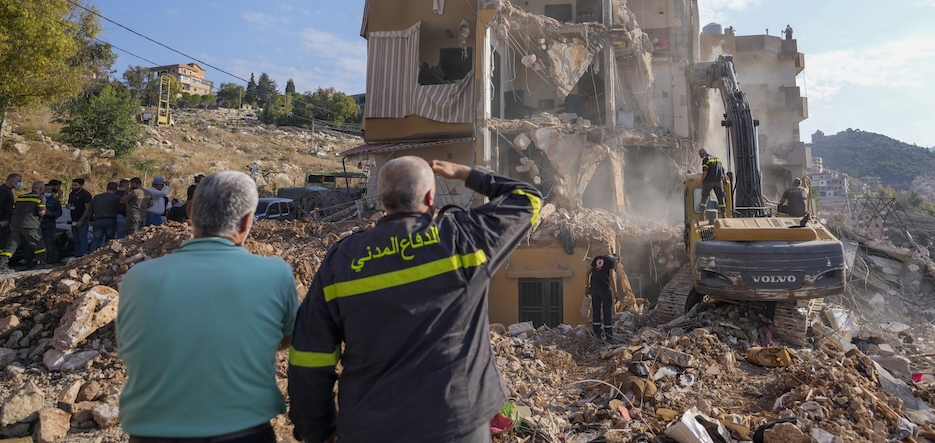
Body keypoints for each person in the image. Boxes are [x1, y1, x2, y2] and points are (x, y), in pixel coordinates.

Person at [288, 157, 542, 443]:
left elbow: (310, 356)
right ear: (431, 196)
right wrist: (465, 173)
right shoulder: (463, 237)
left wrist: (319, 430)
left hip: (369, 428)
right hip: (455, 423)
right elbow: (528, 199)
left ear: (382, 199)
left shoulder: (342, 261)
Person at [117, 171, 299, 442]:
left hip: (150, 432)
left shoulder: (138, 278)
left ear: (190, 211)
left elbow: (132, 344)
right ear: (247, 220)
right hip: (243, 431)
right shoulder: (274, 273)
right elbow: (288, 338)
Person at [4, 181, 46, 272]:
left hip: (16, 224)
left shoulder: (21, 197)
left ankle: (2, 264)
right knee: (38, 245)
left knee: (11, 245)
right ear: (41, 189)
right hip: (31, 225)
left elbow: (15, 209)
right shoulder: (40, 197)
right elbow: (41, 212)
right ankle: (41, 263)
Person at [586, 254, 618, 342]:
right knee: (607, 312)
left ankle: (598, 336)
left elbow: (587, 273)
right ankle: (609, 337)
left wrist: (587, 287)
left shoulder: (597, 258)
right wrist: (615, 292)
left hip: (594, 289)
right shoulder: (612, 261)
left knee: (596, 311)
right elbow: (612, 276)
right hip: (605, 289)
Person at [85, 182, 122, 253]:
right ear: (116, 189)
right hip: (111, 220)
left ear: (107, 188)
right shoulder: (116, 198)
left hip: (98, 220)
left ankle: (91, 255)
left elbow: (90, 209)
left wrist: (90, 219)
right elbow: (120, 209)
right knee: (109, 240)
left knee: (96, 239)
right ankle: (106, 255)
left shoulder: (97, 197)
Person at [67, 178, 92, 258]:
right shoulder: (72, 194)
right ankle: (77, 256)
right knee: (76, 239)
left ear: (81, 185)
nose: (74, 187)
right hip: (74, 219)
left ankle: (82, 256)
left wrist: (81, 220)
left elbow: (88, 208)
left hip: (82, 220)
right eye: (73, 185)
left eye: (75, 185)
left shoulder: (85, 195)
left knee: (82, 238)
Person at [41, 180, 64, 264]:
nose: (48, 192)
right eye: (46, 191)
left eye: (50, 191)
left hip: (49, 225)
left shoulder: (54, 200)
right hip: (38, 224)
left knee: (48, 243)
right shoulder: (38, 199)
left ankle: (46, 260)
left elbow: (59, 212)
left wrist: (51, 214)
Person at [698, 148, 727, 215]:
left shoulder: (706, 159)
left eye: (700, 155)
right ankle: (724, 215)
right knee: (721, 198)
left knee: (704, 198)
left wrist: (701, 181)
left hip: (709, 181)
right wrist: (725, 178)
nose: (700, 157)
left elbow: (705, 172)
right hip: (718, 181)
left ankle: (701, 215)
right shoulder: (717, 159)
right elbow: (723, 169)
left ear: (703, 153)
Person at [0, 173, 19, 272]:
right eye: (19, 181)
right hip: (3, 222)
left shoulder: (8, 191)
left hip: (7, 221)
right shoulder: (3, 191)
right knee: (2, 244)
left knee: (4, 243)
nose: (20, 184)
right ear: (12, 181)